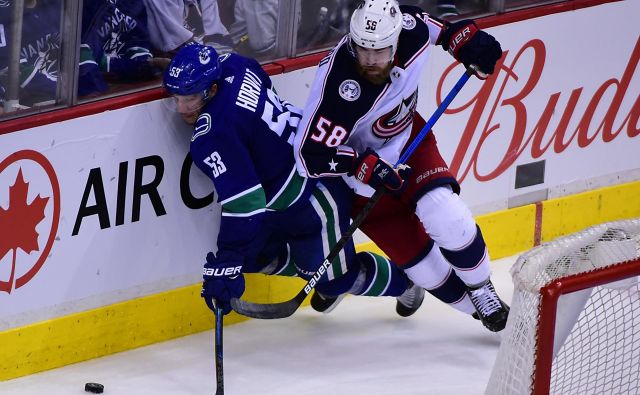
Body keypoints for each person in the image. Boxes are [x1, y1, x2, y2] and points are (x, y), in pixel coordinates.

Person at [162, 42, 426, 317]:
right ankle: (312, 266)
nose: (182, 108)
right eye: (176, 98)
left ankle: (404, 282)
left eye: (190, 98)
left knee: (337, 279)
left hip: (314, 196)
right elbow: (263, 84)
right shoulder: (234, 65)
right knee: (253, 256)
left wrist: (227, 263)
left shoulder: (212, 134)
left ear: (212, 89)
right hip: (286, 184)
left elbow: (247, 204)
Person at [293, 0, 509, 332]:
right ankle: (479, 311)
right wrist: (361, 165)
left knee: (447, 215)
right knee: (425, 272)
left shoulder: (411, 29)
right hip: (364, 181)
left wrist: (468, 43)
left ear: (395, 40)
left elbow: (445, 32)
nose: (369, 59)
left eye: (378, 51)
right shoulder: (338, 87)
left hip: (409, 141)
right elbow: (310, 154)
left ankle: (483, 289)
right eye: (362, 49)